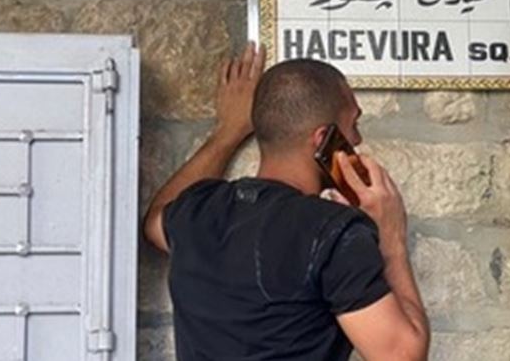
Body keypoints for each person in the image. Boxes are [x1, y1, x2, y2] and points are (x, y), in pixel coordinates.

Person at [143, 43, 429, 361]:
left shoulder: (198, 211)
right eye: (353, 126)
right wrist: (391, 238)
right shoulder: (334, 232)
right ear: (323, 140)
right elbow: (401, 356)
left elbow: (155, 221)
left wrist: (228, 132)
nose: (357, 141)